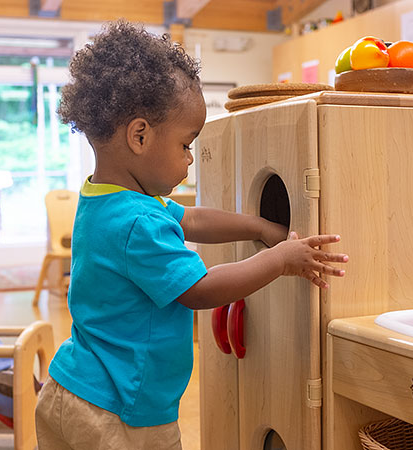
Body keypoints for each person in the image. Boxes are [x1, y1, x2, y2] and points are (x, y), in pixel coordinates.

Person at [34, 20, 348, 450]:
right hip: (119, 411)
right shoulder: (140, 223)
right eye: (186, 145)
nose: (188, 161)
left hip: (70, 388)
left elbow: (194, 220)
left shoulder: (107, 199)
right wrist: (280, 260)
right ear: (140, 135)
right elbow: (200, 290)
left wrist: (258, 226)